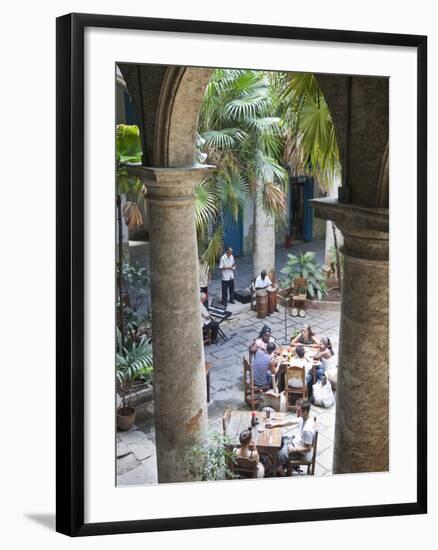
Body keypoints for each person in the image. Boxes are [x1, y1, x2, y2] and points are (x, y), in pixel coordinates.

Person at [266, 398, 315, 476]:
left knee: (278, 455)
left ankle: (281, 472)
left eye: (299, 411)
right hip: (296, 441)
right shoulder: (306, 417)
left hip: (298, 451)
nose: (296, 412)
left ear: (305, 411)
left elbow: (308, 449)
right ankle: (285, 467)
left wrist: (293, 449)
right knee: (279, 440)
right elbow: (290, 422)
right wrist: (274, 424)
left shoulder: (307, 430)